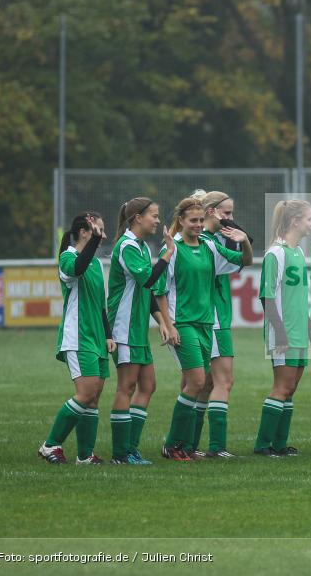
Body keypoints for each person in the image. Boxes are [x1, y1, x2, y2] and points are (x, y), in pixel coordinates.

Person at [153, 197, 251, 460]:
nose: (197, 225)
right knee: (196, 380)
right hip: (182, 324)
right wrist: (168, 325)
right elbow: (159, 290)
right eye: (192, 221)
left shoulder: (209, 246)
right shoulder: (174, 249)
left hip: (206, 324)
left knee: (199, 383)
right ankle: (172, 444)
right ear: (181, 221)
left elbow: (244, 261)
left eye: (199, 221)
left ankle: (185, 446)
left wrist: (245, 241)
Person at [39, 213, 115, 465]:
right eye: (98, 231)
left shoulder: (95, 262)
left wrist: (108, 335)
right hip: (78, 337)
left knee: (93, 398)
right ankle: (50, 445)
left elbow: (100, 305)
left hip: (96, 338)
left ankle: (85, 455)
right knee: (86, 393)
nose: (103, 235)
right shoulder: (68, 258)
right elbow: (77, 268)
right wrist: (93, 242)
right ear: (84, 231)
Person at [107, 197, 174, 464]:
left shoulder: (143, 247)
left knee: (148, 385)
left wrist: (162, 323)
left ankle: (130, 448)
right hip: (123, 329)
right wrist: (168, 254)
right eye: (154, 216)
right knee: (127, 386)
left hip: (136, 329)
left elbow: (146, 292)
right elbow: (149, 278)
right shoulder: (127, 246)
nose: (158, 220)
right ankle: (121, 453)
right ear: (137, 218)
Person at [187, 189, 253, 458]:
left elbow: (245, 255)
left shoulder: (207, 239)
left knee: (205, 383)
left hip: (208, 318)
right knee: (223, 381)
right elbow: (243, 261)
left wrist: (241, 238)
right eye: (227, 213)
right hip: (212, 319)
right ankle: (215, 447)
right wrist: (242, 239)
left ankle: (189, 445)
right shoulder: (208, 243)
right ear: (211, 212)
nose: (231, 218)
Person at [255, 200, 311, 457]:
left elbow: (297, 298)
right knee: (282, 386)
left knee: (291, 387)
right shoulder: (276, 253)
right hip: (282, 333)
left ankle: (279, 445)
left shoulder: (296, 253)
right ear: (295, 221)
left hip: (298, 332)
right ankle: (263, 445)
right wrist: (280, 331)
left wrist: (309, 326)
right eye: (309, 219)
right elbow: (267, 296)